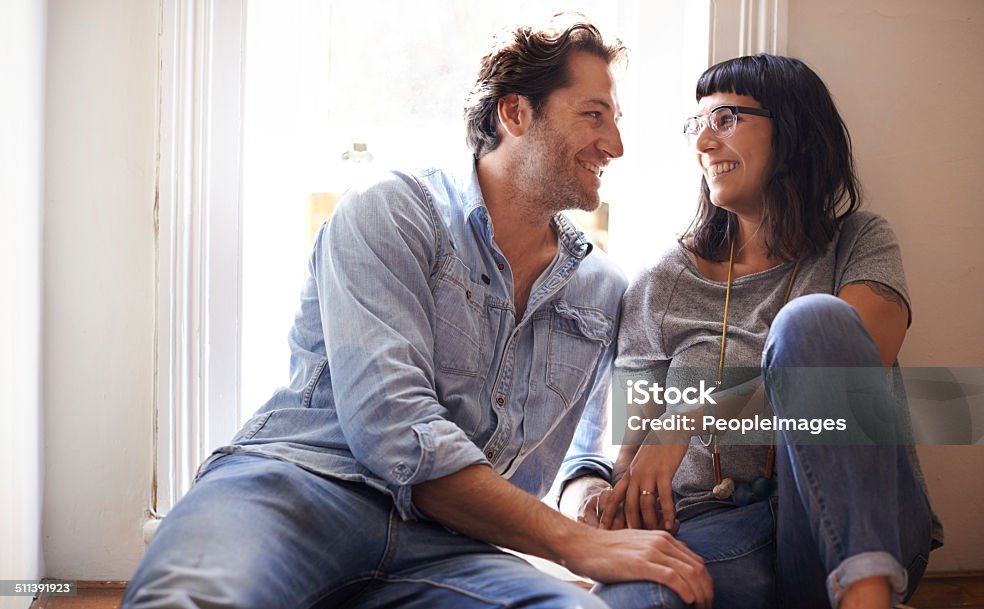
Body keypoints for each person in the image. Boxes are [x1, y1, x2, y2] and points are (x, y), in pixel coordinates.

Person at [122, 16, 714, 609]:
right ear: (514, 114)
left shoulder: (603, 288)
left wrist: (596, 483)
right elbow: (397, 430)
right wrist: (573, 543)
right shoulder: (394, 212)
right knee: (189, 602)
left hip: (455, 545)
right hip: (298, 489)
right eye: (594, 115)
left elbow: (627, 422)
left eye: (614, 120)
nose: (615, 144)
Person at [563, 55, 942, 609]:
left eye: (726, 119)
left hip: (862, 522)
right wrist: (602, 501)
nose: (704, 142)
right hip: (716, 531)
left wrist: (691, 415)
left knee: (812, 321)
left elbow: (851, 373)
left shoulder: (860, 242)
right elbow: (632, 455)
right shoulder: (660, 284)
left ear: (798, 136)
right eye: (698, 125)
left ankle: (866, 595)